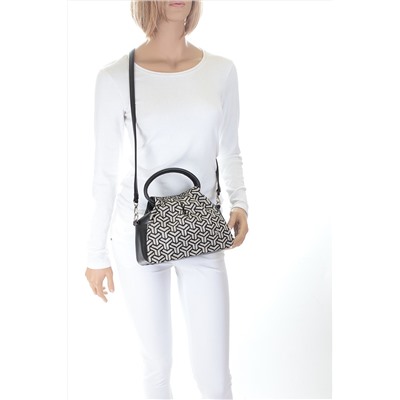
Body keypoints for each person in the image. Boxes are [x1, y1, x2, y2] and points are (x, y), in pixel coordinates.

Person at [85, 1, 249, 398]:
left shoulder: (221, 71)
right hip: (136, 233)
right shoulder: (115, 78)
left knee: (214, 376)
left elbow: (229, 149)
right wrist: (96, 254)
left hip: (200, 229)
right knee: (156, 366)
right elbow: (104, 174)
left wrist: (239, 202)